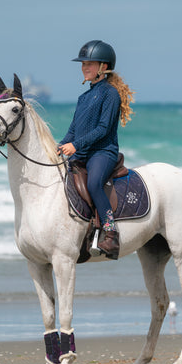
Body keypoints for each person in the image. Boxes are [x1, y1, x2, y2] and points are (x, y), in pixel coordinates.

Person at [58, 40, 134, 259]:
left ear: (104, 66)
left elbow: (102, 129)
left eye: (90, 64)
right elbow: (74, 129)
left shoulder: (110, 94)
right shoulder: (83, 97)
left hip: (103, 152)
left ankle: (110, 232)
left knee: (93, 183)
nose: (85, 68)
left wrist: (76, 145)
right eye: (83, 65)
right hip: (82, 152)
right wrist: (61, 145)